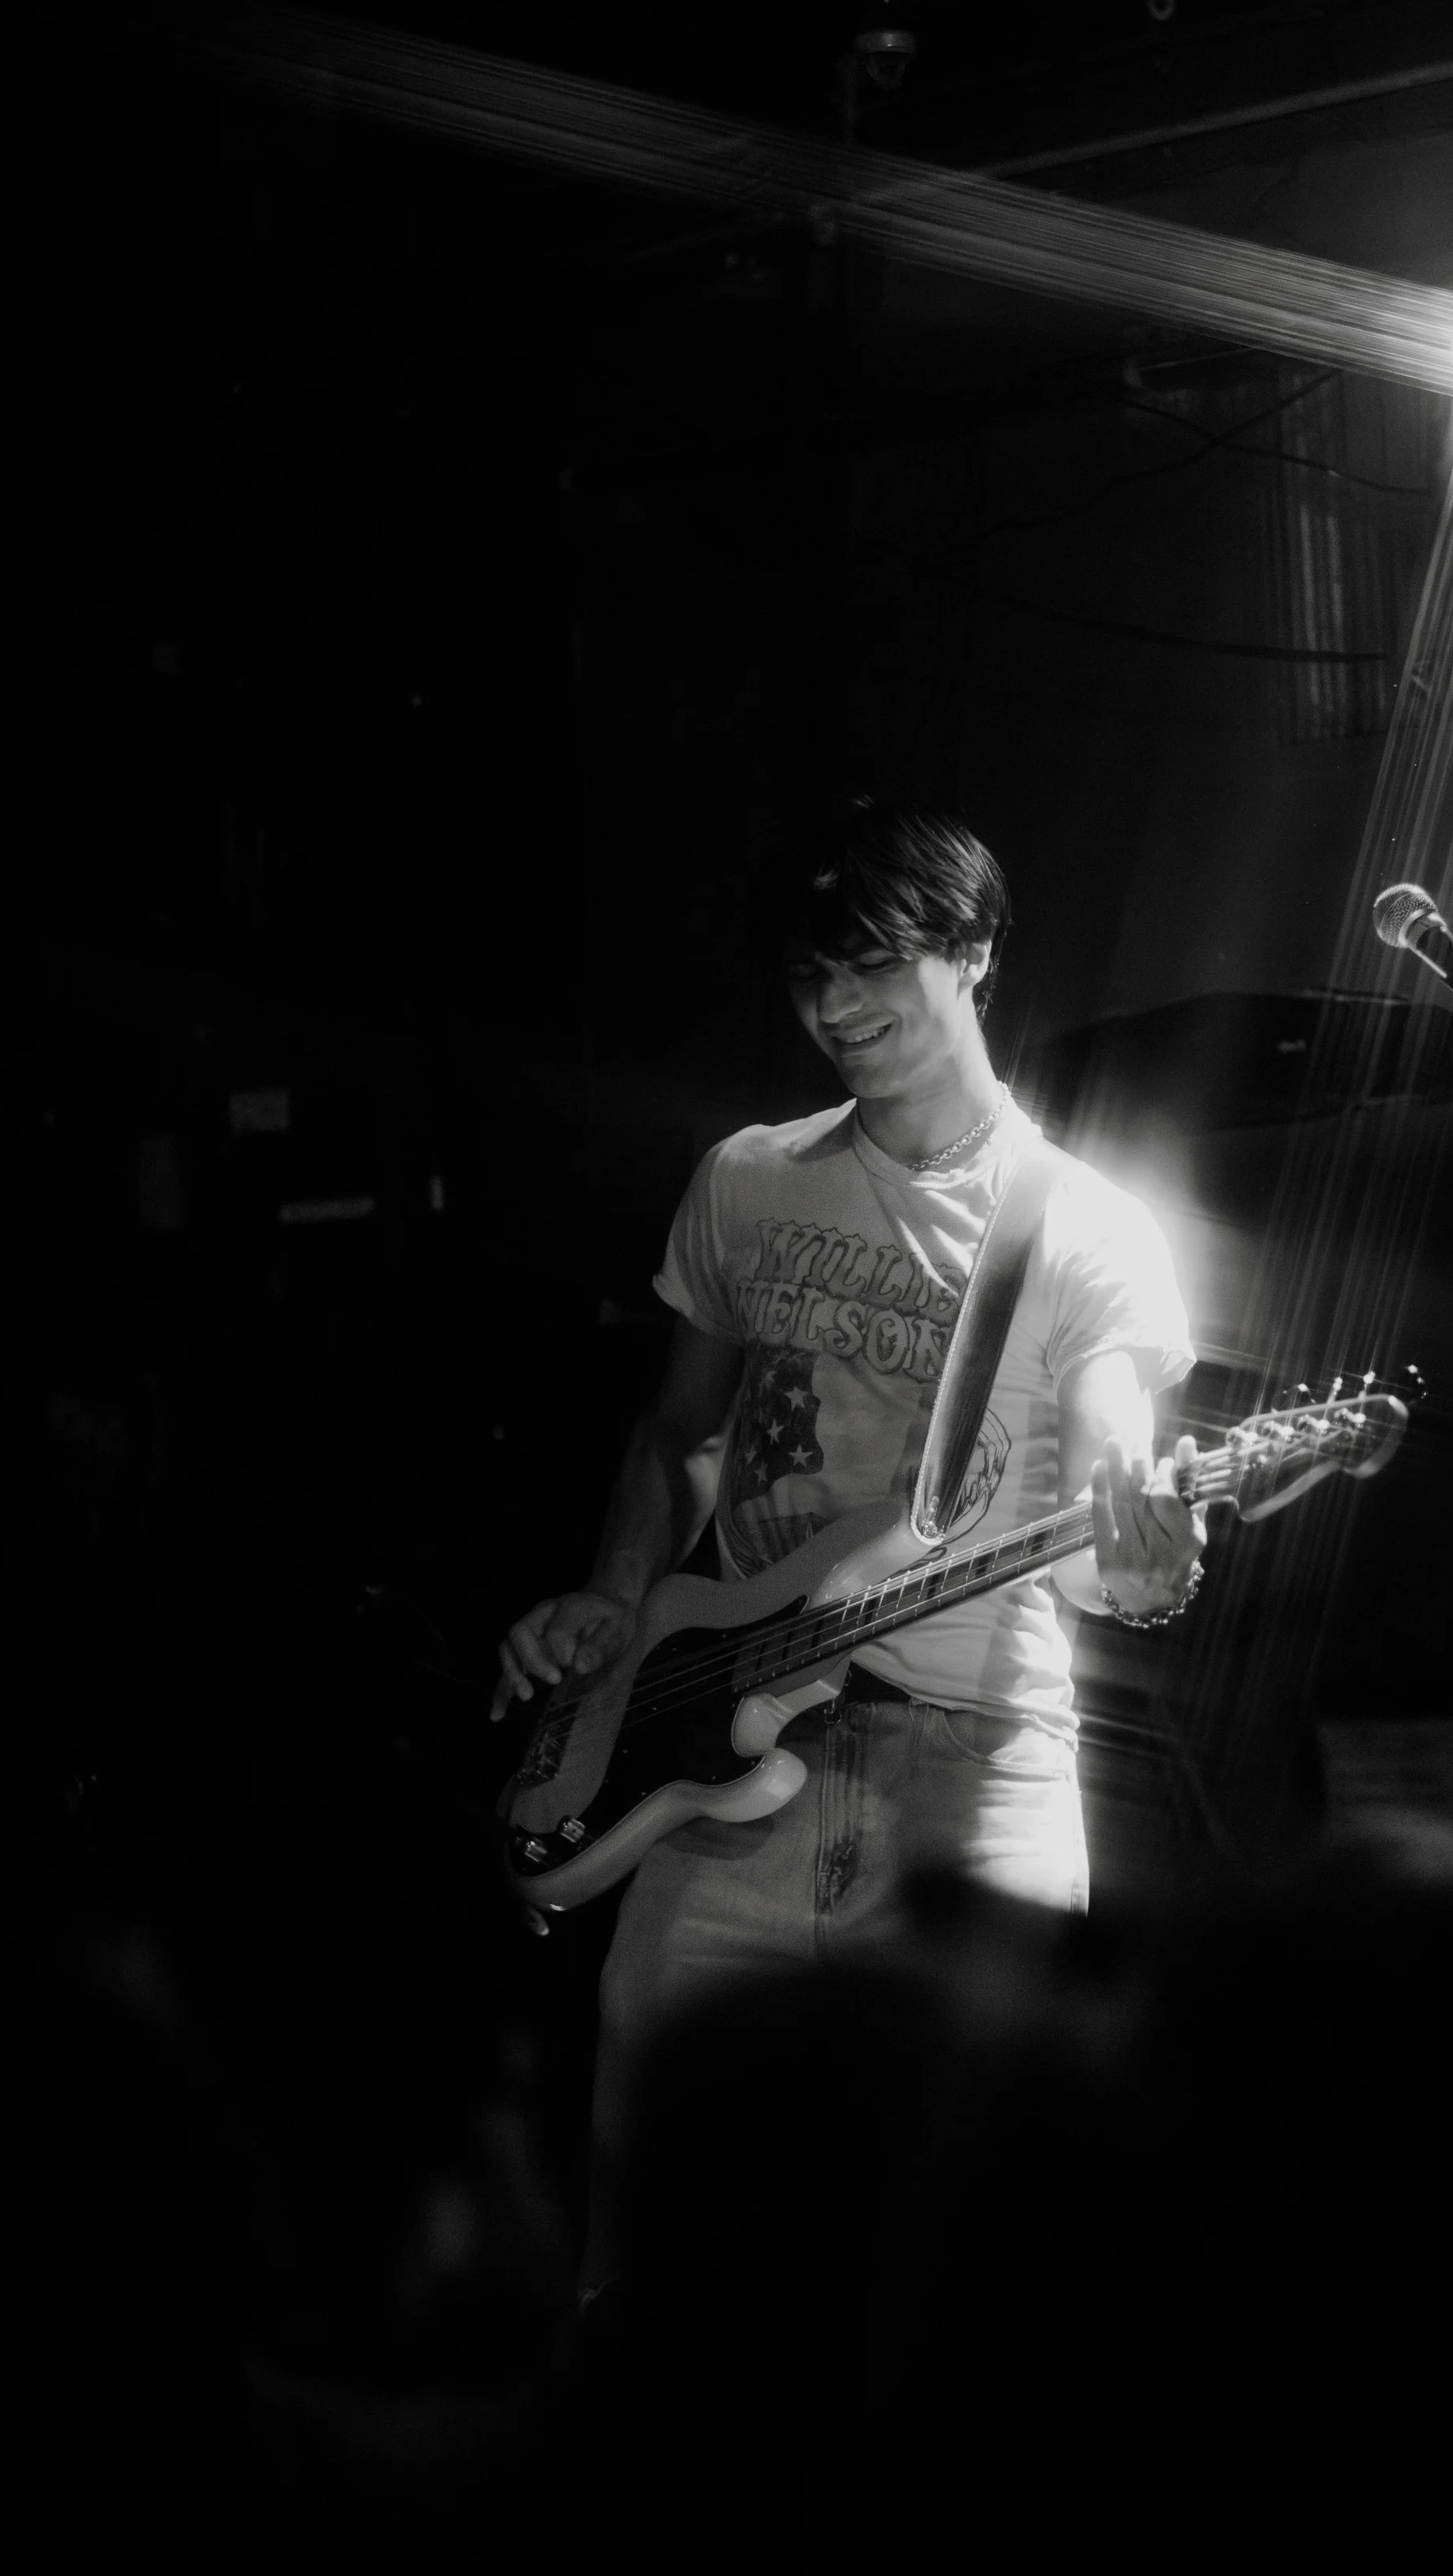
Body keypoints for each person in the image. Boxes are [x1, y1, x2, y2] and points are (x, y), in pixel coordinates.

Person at [489, 796, 1203, 2285]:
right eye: (813, 976)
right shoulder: (749, 1177)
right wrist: (616, 1604)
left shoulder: (1083, 1227)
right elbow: (679, 1435)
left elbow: (1113, 1445)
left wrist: (1142, 1542)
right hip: (718, 1755)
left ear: (979, 953)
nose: (835, 1007)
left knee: (976, 2249)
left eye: (873, 963)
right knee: (661, 2241)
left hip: (971, 1759)